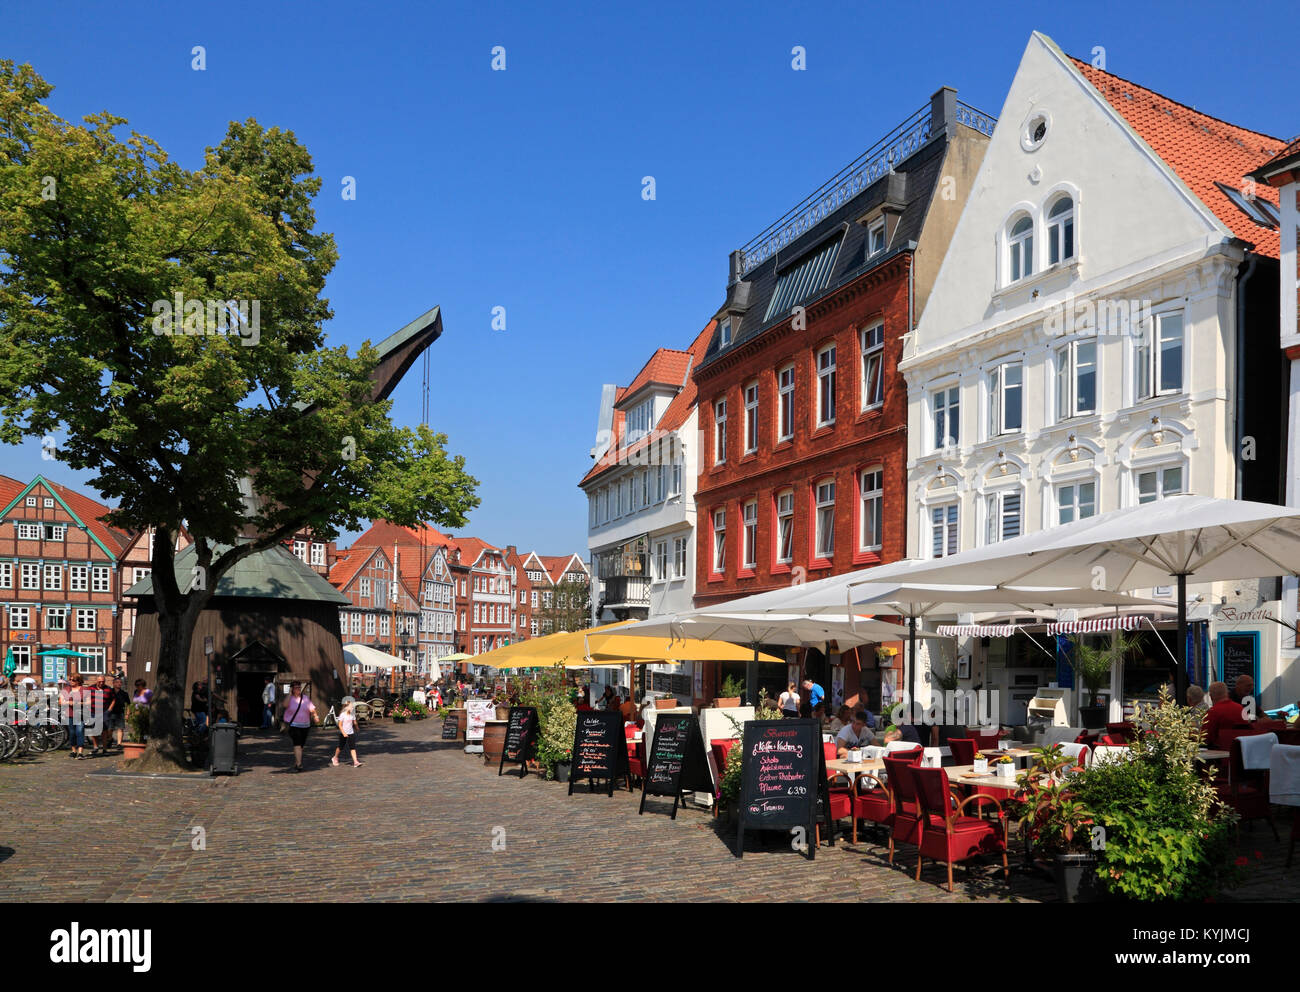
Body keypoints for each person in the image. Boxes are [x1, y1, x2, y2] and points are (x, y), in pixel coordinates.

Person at [281, 681, 319, 772]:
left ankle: (297, 761)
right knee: (297, 743)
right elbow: (284, 705)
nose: (298, 689)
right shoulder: (289, 698)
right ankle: (299, 764)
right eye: (296, 687)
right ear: (292, 689)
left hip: (305, 725)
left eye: (299, 687)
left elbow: (312, 709)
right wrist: (290, 694)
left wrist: (315, 716)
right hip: (293, 725)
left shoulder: (305, 698)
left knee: (301, 745)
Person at [1202, 681, 1246, 749]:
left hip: (1220, 753)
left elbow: (1205, 738)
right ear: (1227, 693)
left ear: (1211, 696)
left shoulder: (1213, 712)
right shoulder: (1241, 709)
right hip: (1241, 751)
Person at [332, 699, 362, 767]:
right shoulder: (342, 715)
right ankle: (335, 757)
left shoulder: (352, 714)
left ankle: (355, 762)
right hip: (343, 733)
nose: (352, 708)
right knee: (340, 747)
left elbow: (354, 722)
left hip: (351, 733)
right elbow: (339, 725)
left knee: (352, 747)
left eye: (352, 707)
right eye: (351, 707)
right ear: (347, 707)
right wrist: (343, 733)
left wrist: (357, 727)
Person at [65, 675, 88, 760]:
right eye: (70, 680)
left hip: (80, 715)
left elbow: (88, 702)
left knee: (80, 731)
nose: (71, 681)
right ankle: (74, 751)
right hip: (69, 714)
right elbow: (60, 701)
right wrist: (68, 702)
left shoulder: (84, 690)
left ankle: (80, 752)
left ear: (78, 681)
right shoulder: (67, 689)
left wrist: (76, 703)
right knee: (72, 733)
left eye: (73, 680)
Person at [108, 677, 130, 750]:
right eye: (117, 682)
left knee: (120, 728)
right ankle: (110, 739)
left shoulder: (124, 693)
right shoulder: (109, 692)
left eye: (120, 682)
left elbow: (128, 704)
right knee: (110, 729)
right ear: (113, 683)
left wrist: (127, 714)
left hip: (120, 713)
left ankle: (119, 743)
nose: (119, 684)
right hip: (111, 713)